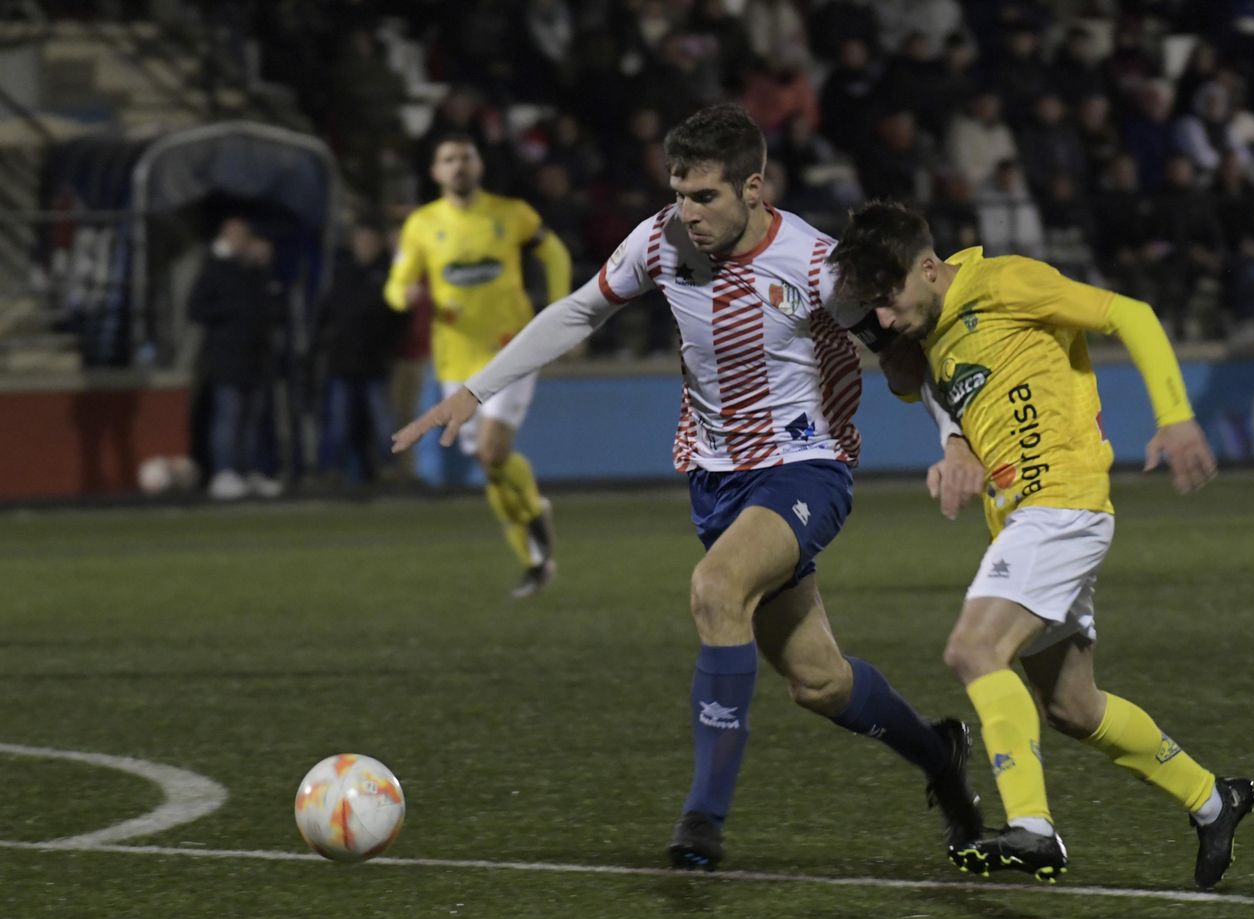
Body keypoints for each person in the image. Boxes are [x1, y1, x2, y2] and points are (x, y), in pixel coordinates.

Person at [392, 104, 982, 872]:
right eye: (678, 192)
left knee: (715, 588)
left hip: (806, 468)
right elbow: (581, 309)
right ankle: (938, 755)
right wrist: (474, 389)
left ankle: (702, 820)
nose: (688, 212)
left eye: (705, 196)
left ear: (755, 189)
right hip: (716, 480)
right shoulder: (659, 240)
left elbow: (910, 351)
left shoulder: (817, 265)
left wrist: (954, 436)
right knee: (817, 680)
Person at [827, 200, 1254, 889]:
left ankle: (1033, 826)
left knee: (973, 649)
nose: (881, 321)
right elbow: (923, 385)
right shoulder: (931, 332)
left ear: (929, 268)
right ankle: (1214, 800)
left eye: (888, 300)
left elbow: (1132, 314)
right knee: (1071, 705)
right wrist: (955, 445)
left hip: (1062, 499)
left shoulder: (1004, 283)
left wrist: (1175, 417)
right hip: (1025, 516)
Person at [385, 133, 573, 596]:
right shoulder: (422, 225)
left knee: (491, 451)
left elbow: (553, 252)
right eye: (448, 159)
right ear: (435, 173)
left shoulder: (511, 214)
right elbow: (395, 283)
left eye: (465, 157)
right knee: (490, 467)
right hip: (456, 360)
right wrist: (403, 295)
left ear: (479, 166)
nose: (458, 166)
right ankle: (534, 555)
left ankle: (533, 513)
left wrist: (563, 309)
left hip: (511, 350)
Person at [187, 217, 282, 501]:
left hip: (255, 358)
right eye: (234, 236)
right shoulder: (215, 270)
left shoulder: (255, 272)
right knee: (228, 417)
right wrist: (232, 313)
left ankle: (247, 469)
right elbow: (194, 310)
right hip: (225, 358)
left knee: (252, 420)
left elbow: (272, 308)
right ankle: (224, 472)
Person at [316, 221, 408, 485]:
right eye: (360, 240)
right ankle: (332, 470)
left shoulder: (388, 274)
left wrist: (388, 348)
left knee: (382, 421)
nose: (364, 246)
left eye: (369, 241)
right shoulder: (341, 273)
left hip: (374, 360)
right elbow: (326, 313)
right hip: (342, 360)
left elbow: (398, 317)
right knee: (339, 421)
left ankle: (389, 469)